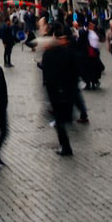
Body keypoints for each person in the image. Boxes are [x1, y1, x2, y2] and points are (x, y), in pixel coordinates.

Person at [40, 27, 80, 157]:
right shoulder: (68, 53)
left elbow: (47, 74)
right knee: (61, 120)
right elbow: (75, 71)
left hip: (55, 93)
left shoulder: (49, 55)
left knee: (59, 121)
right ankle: (65, 145)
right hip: (67, 92)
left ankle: (66, 147)